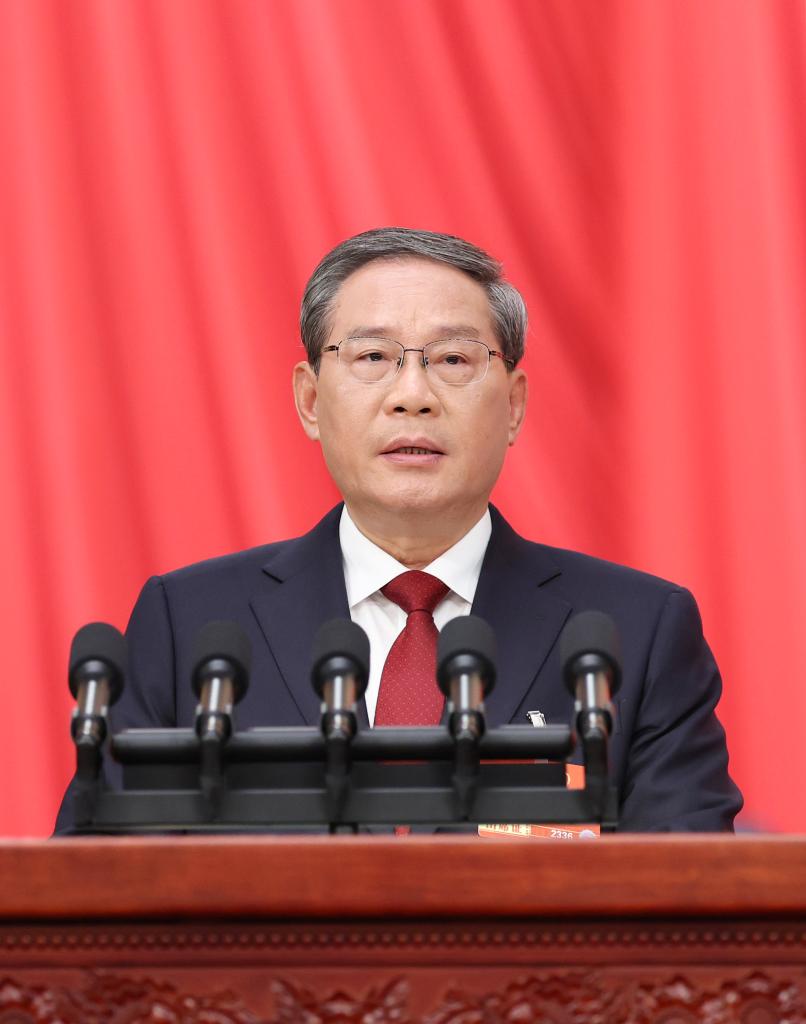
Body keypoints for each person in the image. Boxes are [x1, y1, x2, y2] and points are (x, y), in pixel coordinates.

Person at [56, 227, 742, 832]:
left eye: (452, 359)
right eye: (373, 356)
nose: (412, 394)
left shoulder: (637, 633)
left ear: (513, 405)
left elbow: (691, 914)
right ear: (311, 400)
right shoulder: (192, 629)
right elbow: (97, 893)